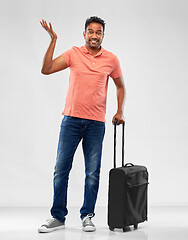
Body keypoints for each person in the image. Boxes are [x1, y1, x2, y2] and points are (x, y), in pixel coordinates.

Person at [38, 16, 125, 233]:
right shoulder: (73, 54)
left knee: (92, 173)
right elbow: (46, 69)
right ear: (84, 33)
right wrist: (53, 40)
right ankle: (57, 217)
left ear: (103, 35)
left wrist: (120, 111)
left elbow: (120, 86)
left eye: (98, 32)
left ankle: (87, 215)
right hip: (71, 121)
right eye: (90, 31)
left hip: (96, 124)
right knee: (60, 170)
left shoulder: (111, 59)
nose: (94, 35)